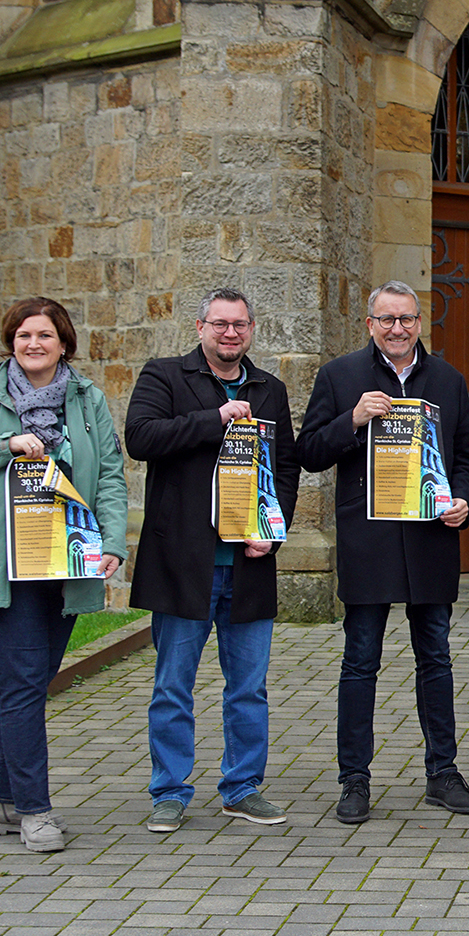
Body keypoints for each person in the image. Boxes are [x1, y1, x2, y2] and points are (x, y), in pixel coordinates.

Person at [0, 297, 128, 853]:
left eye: (43, 335)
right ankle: (35, 812)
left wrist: (112, 542)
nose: (32, 344)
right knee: (21, 685)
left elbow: (109, 475)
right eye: (22, 335)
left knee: (30, 686)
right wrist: (3, 446)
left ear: (64, 342)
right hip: (3, 568)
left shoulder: (87, 400)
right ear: (10, 343)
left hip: (65, 563)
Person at [297, 281, 469, 823]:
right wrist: (351, 420)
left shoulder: (447, 380)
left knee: (437, 658)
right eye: (387, 320)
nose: (397, 329)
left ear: (420, 323)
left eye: (407, 319)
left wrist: (464, 499)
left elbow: (468, 455)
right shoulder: (340, 377)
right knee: (360, 662)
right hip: (369, 542)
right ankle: (354, 780)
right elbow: (308, 452)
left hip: (430, 541)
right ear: (370, 324)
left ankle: (442, 773)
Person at [124, 288, 299, 833]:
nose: (230, 334)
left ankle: (242, 788)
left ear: (251, 329)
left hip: (248, 562)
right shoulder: (165, 375)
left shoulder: (269, 389)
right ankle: (169, 791)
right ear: (200, 327)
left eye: (240, 325)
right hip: (184, 561)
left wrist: (273, 531)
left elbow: (286, 468)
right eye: (220, 324)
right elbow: (141, 438)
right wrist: (214, 417)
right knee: (173, 684)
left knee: (248, 686)